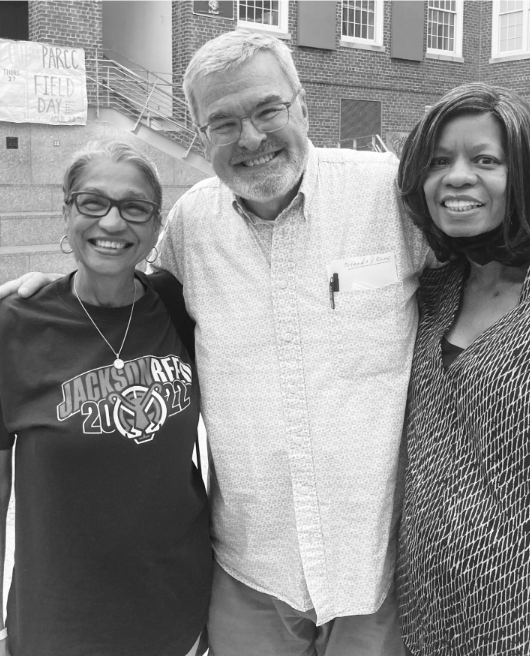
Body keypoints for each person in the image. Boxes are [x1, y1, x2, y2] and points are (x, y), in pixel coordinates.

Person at [0, 31, 433, 655]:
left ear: (302, 105)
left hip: (373, 571)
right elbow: (115, 264)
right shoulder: (192, 227)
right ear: (201, 136)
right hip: (251, 577)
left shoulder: (390, 197)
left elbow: (480, 275)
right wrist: (49, 291)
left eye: (267, 110)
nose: (251, 138)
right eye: (223, 122)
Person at [0, 140, 212, 656]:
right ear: (66, 210)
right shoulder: (16, 326)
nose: (113, 223)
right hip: (59, 621)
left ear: (154, 223)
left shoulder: (178, 307)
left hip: (176, 610)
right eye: (93, 202)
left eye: (134, 207)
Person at [396, 83, 530, 655]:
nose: (457, 176)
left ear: (525, 176)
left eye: (486, 160)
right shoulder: (435, 289)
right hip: (426, 601)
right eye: (439, 161)